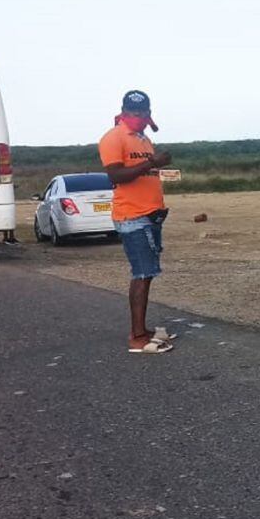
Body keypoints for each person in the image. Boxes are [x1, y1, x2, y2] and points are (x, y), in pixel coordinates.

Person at [98, 90, 176, 354]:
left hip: (150, 214)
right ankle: (137, 336)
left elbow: (147, 174)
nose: (140, 117)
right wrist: (152, 163)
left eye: (144, 112)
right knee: (142, 274)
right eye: (134, 113)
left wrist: (154, 167)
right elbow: (116, 175)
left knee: (148, 273)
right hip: (132, 216)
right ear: (123, 111)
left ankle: (143, 329)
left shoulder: (143, 138)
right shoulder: (114, 138)